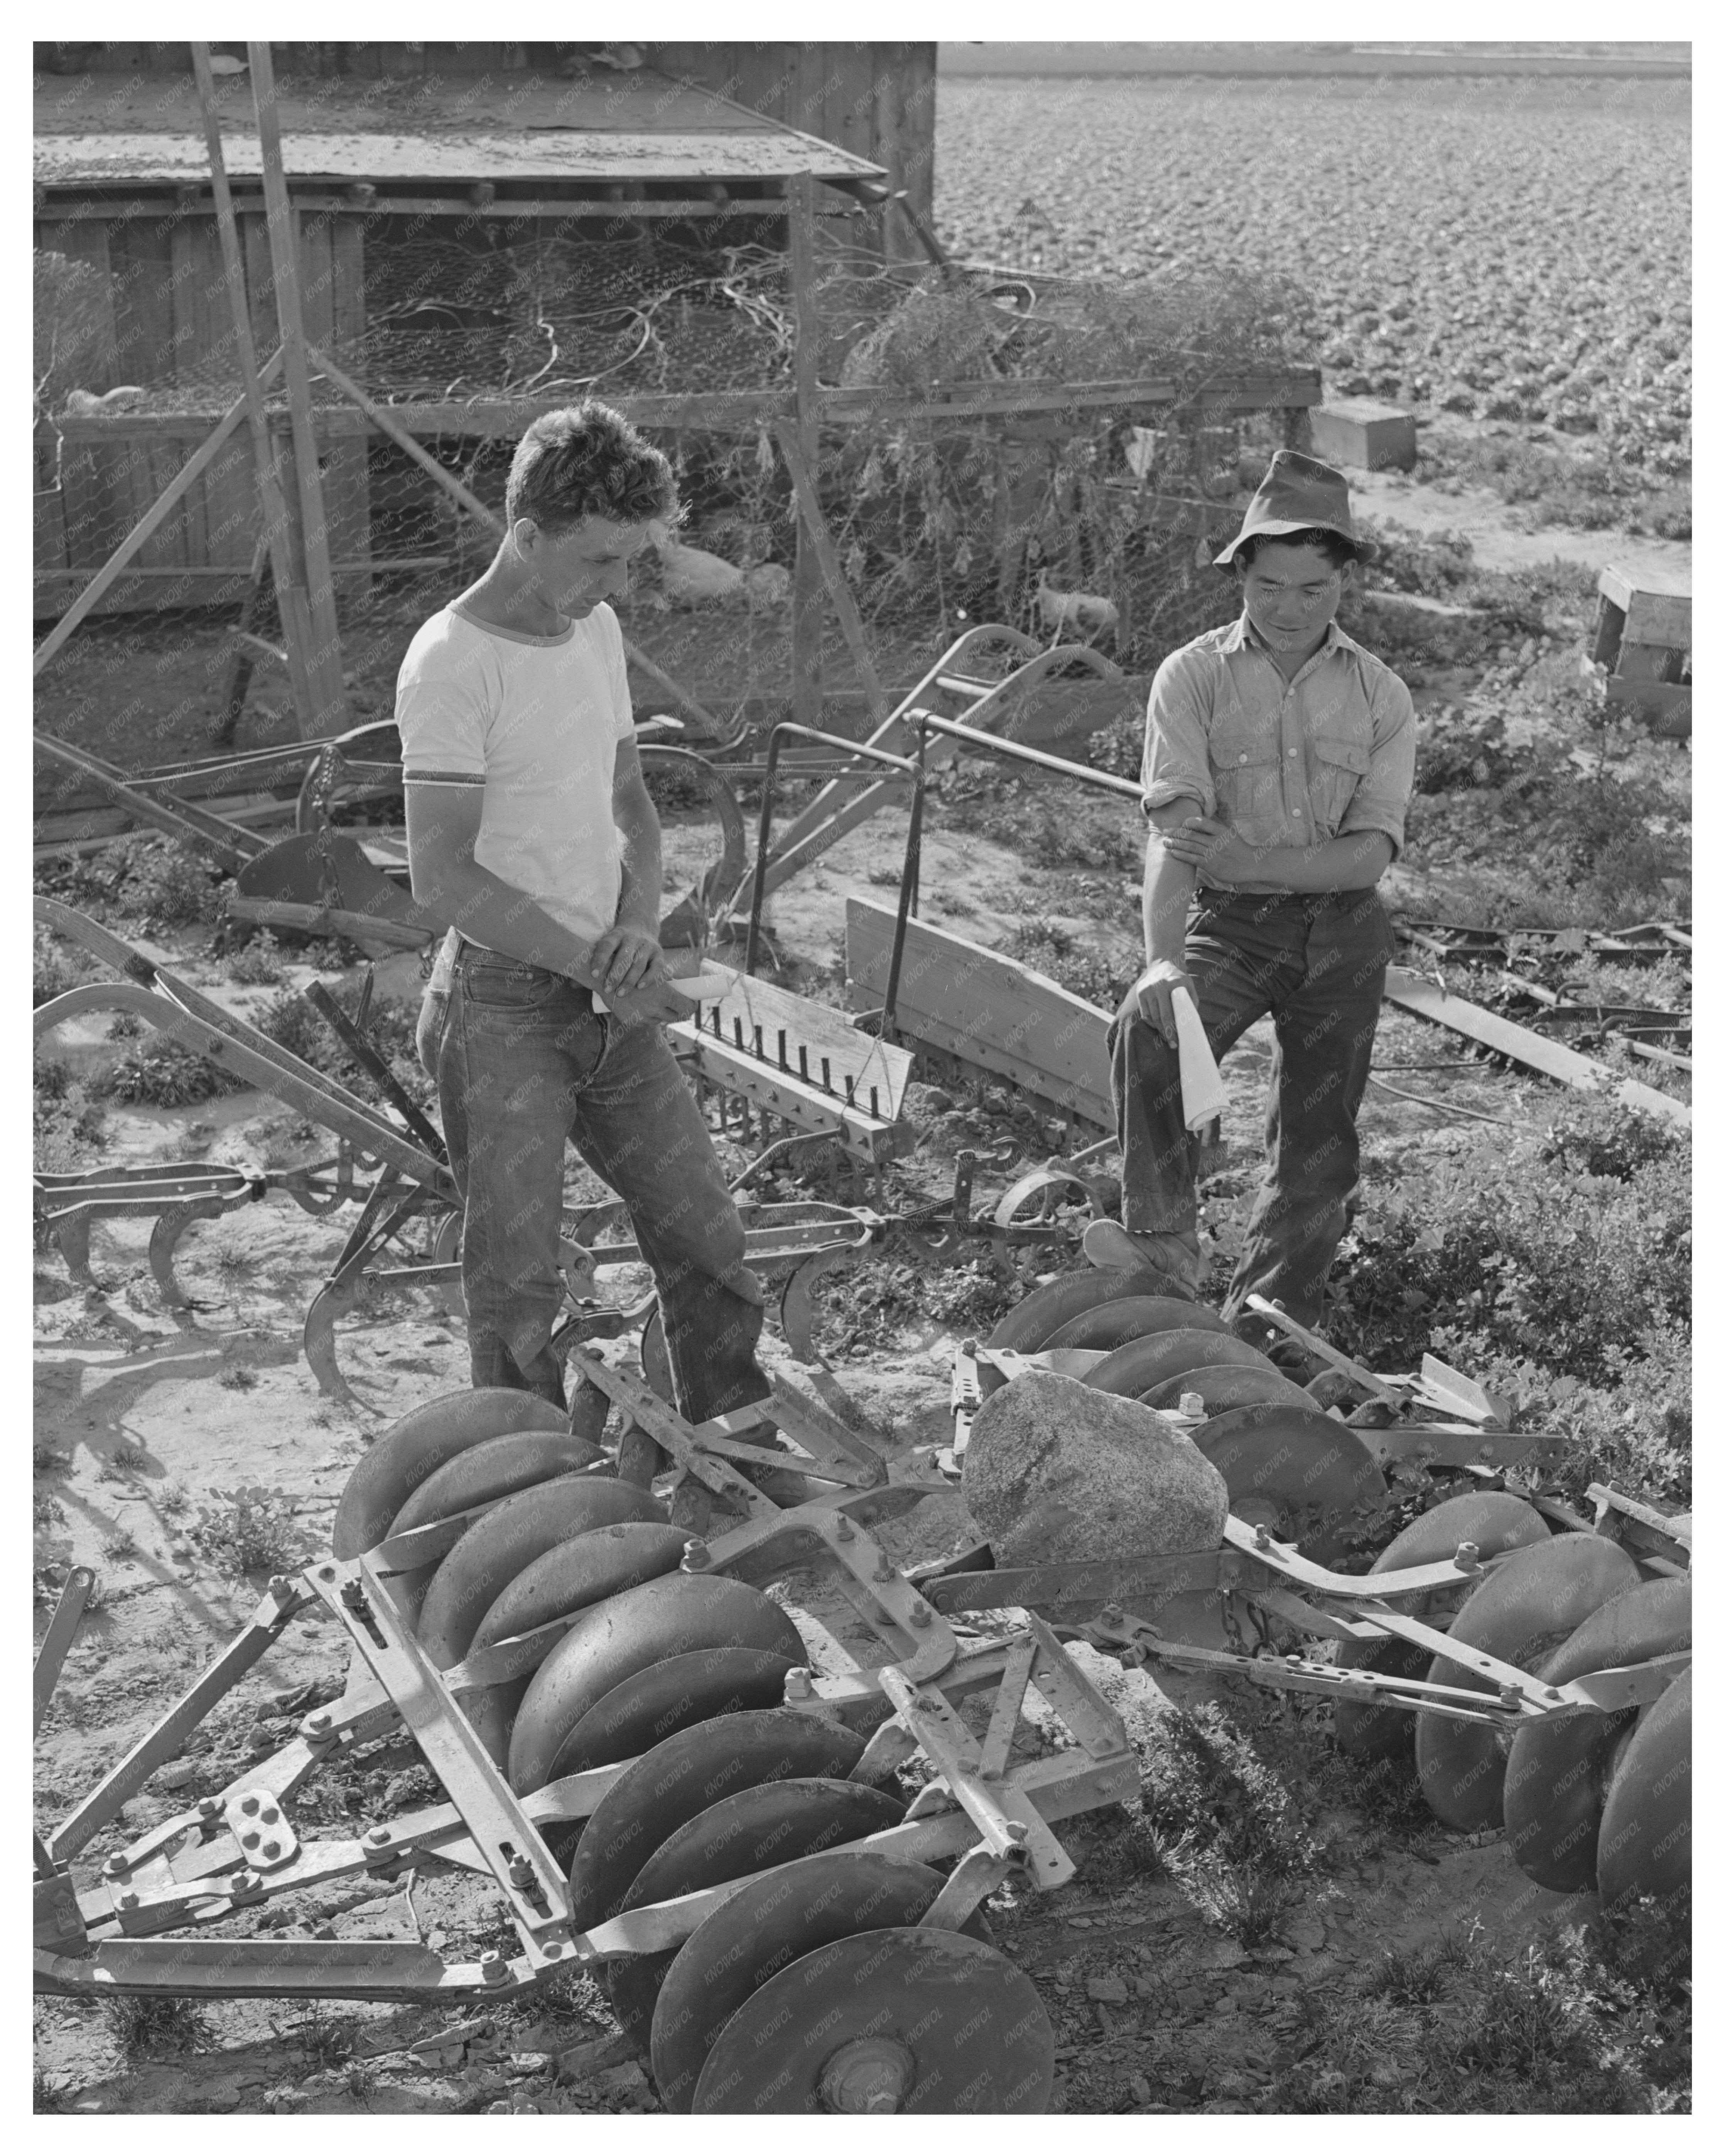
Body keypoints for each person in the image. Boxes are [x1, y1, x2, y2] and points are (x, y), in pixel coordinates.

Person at [397, 400, 771, 1428]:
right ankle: (532, 1493)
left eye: (631, 561)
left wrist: (639, 930)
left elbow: (633, 804)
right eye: (603, 560)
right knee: (517, 1278)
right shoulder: (450, 663)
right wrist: (588, 957)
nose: (618, 587)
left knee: (703, 1230)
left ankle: (737, 1438)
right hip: (504, 1003)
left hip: (615, 989)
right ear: (526, 536)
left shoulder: (593, 631)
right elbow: (445, 878)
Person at [1085, 449, 1416, 1361]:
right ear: (1240, 574)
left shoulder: (1381, 694)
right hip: (1229, 922)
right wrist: (1161, 956)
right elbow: (1175, 835)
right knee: (1151, 1027)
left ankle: (1269, 1333)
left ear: (1343, 580)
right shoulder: (1190, 678)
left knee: (1319, 1144)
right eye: (1270, 585)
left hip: (1343, 935)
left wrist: (1253, 856)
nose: (1289, 608)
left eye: (1313, 588)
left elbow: (1367, 856)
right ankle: (1162, 1243)